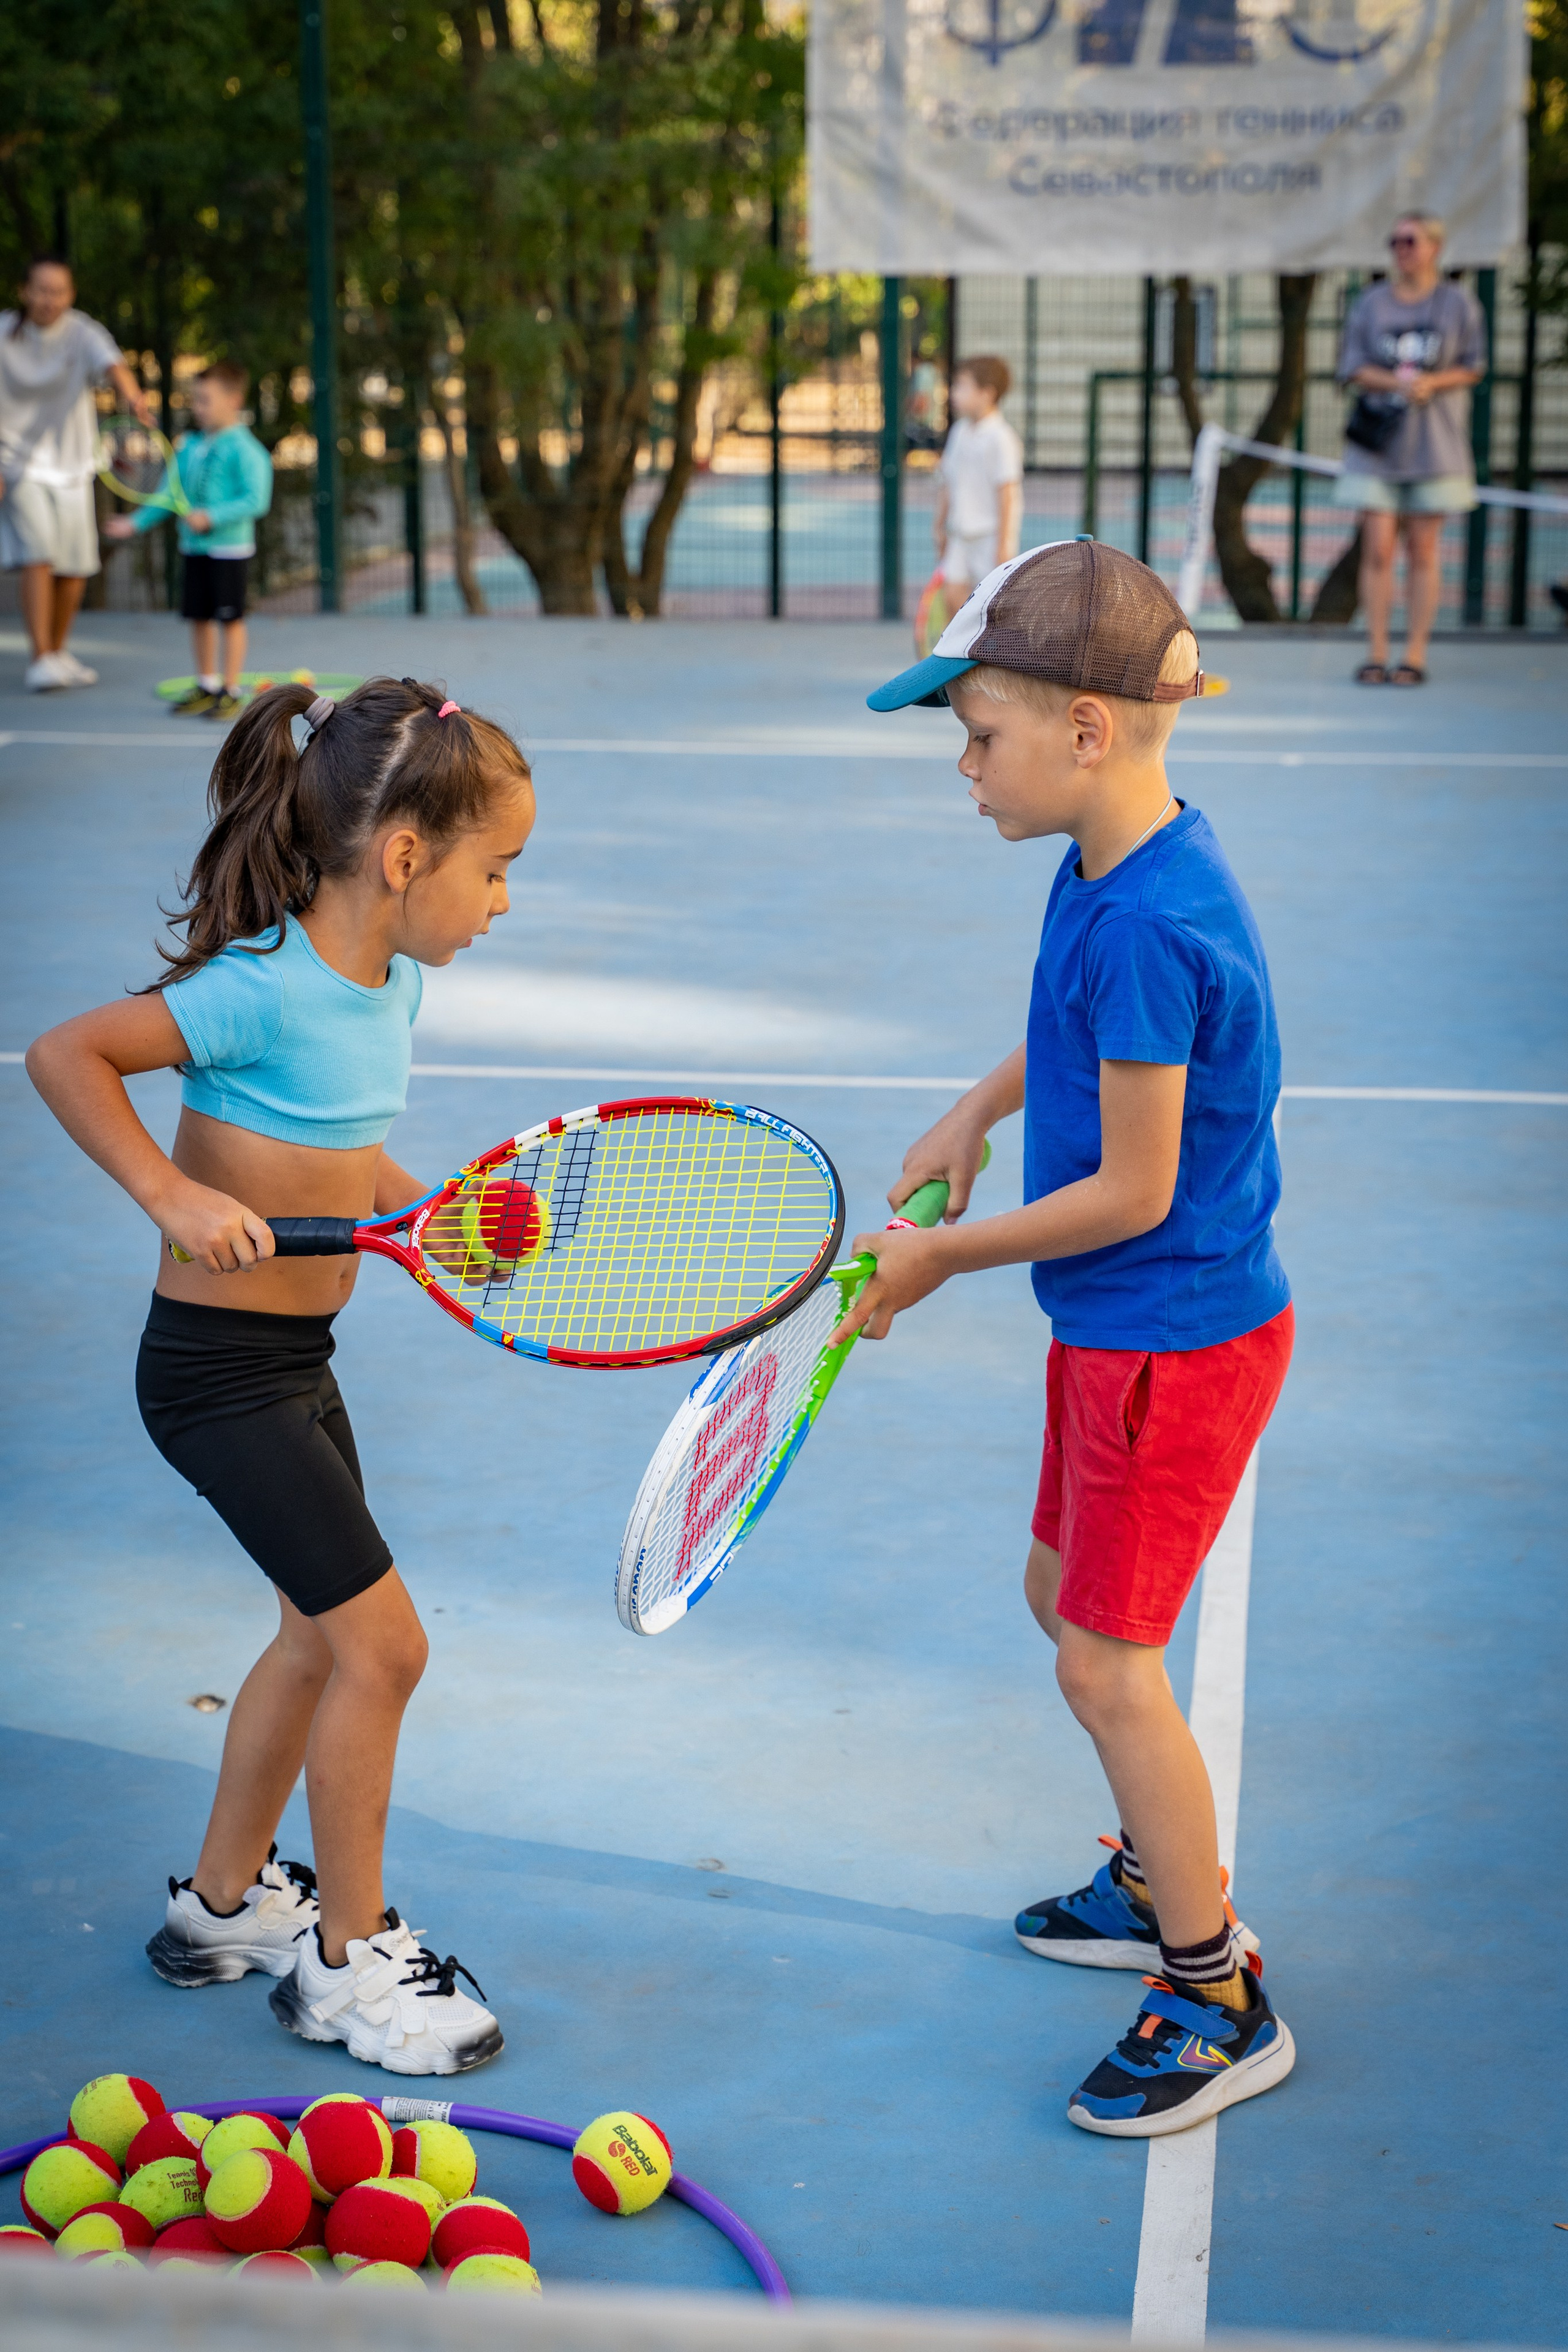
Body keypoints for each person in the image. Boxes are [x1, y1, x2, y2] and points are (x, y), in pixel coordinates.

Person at [24, 678, 535, 2075]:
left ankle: (227, 1907)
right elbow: (67, 1056)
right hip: (214, 1373)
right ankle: (348, 1966)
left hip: (293, 1359)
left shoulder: (394, 983)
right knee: (385, 1645)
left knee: (319, 1637)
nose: (503, 901)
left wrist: (431, 1212)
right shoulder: (257, 988)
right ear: (407, 855)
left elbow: (339, 1150)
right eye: (496, 870)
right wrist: (168, 1199)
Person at [850, 540, 1295, 2137]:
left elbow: (1135, 1186)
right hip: (1123, 1333)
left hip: (1166, 1338)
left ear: (1088, 732)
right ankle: (1145, 1869)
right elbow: (1071, 1039)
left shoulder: (1152, 921)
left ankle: (1213, 1985)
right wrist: (974, 1110)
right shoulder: (1113, 866)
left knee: (1107, 1663)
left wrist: (938, 1260)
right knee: (1062, 1601)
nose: (965, 769)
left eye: (982, 736)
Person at [1335, 214, 1486, 685]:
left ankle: (1414, 653)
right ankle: (1376, 652)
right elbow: (1352, 365)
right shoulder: (1372, 302)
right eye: (1394, 240)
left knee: (1424, 549)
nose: (1401, 249)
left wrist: (1432, 383)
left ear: (1434, 248)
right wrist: (1398, 382)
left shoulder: (1457, 303)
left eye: (1410, 241)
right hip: (1378, 449)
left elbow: (1473, 365)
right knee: (1378, 548)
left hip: (1435, 447)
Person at [0, 255, 154, 692]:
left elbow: (114, 368)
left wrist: (135, 400)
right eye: (42, 290)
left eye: (59, 291)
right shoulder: (3, 335)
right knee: (39, 553)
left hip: (73, 465)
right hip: (16, 464)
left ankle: (57, 650)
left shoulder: (82, 331)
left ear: (70, 295)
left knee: (74, 568)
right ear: (24, 291)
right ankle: (39, 658)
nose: (50, 299)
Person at [104, 359, 273, 720]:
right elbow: (169, 495)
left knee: (231, 618)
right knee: (199, 617)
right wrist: (134, 524)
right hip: (193, 549)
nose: (197, 408)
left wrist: (211, 516)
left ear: (234, 400)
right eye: (195, 400)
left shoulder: (247, 450)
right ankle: (207, 684)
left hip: (229, 550)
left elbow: (256, 500)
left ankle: (230, 689)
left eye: (205, 400)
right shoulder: (189, 447)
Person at [933, 356, 1023, 598]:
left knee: (991, 603)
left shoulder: (1001, 438)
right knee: (952, 595)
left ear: (987, 394)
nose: (954, 393)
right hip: (960, 534)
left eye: (962, 386)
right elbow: (947, 482)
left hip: (989, 536)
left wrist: (1004, 545)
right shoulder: (959, 432)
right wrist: (939, 526)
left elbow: (1007, 494)